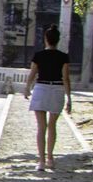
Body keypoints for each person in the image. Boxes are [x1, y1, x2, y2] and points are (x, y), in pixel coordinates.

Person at [23, 25, 72, 171]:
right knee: (52, 126)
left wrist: (27, 88)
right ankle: (50, 158)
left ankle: (41, 161)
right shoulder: (63, 57)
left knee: (41, 127)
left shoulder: (38, 55)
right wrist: (69, 98)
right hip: (57, 89)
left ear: (45, 39)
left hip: (41, 88)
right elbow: (66, 78)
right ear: (58, 40)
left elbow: (32, 73)